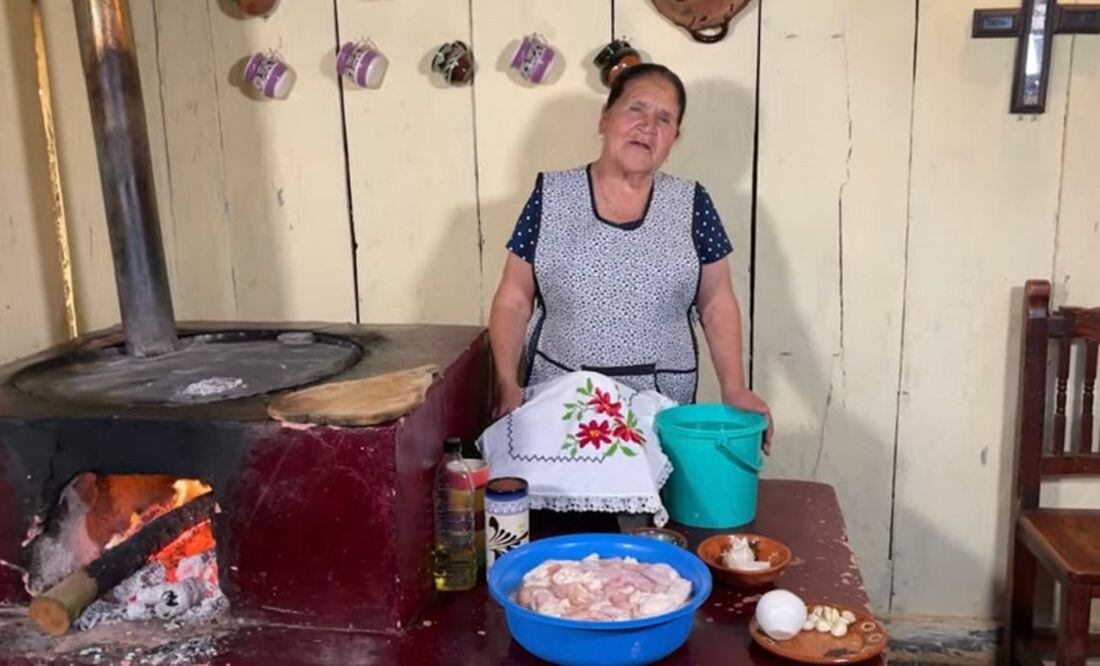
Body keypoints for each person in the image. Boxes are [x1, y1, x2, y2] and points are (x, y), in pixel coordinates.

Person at [488, 63, 773, 449]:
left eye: (664, 119)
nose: (648, 126)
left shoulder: (692, 204)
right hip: (560, 407)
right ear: (604, 118)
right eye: (636, 109)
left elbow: (717, 303)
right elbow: (514, 298)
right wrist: (507, 382)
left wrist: (734, 387)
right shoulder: (551, 196)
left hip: (659, 412)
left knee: (654, 504)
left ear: (674, 137)